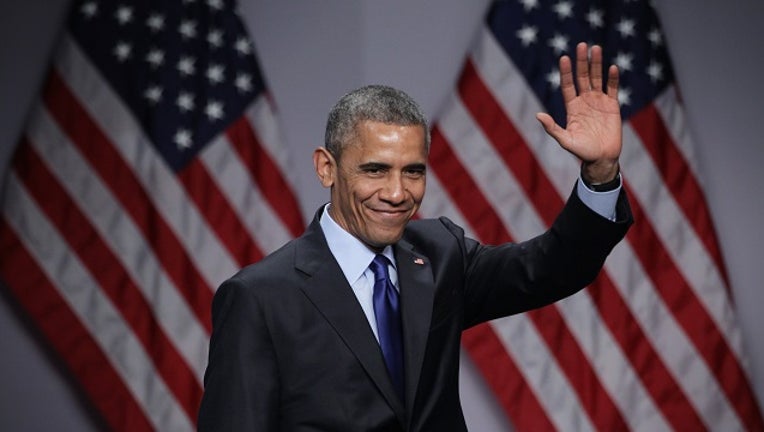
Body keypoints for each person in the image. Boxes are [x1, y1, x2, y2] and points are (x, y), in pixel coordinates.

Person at [197, 42, 632, 431]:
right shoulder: (260, 297)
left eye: (413, 172)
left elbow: (548, 268)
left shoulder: (440, 253)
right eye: (375, 170)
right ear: (326, 167)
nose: (396, 193)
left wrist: (600, 173)